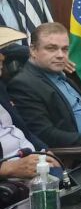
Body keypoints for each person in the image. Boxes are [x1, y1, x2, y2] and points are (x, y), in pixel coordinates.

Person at [8, 23, 81, 147]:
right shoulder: (23, 84)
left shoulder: (59, 75)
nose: (61, 55)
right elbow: (44, 134)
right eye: (51, 48)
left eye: (65, 49)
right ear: (33, 50)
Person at [0, 33, 51, 179]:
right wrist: (6, 168)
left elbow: (23, 129)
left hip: (38, 168)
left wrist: (44, 151)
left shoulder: (1, 89)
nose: (3, 57)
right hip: (10, 185)